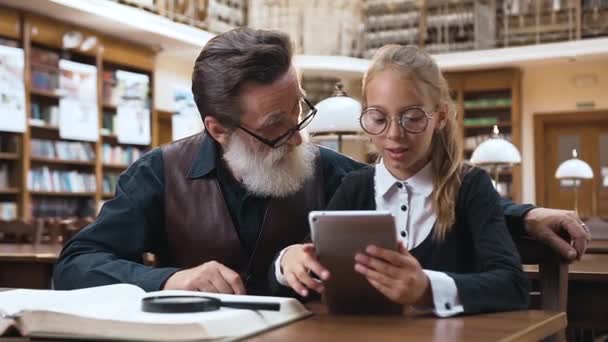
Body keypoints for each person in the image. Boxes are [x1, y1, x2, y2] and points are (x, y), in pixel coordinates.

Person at [53, 28, 590, 296]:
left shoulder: (325, 167)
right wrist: (170, 281)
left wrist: (521, 215)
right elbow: (74, 266)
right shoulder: (158, 173)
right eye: (275, 126)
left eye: (300, 110)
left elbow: (408, 185)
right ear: (217, 128)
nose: (297, 136)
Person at [275, 45, 587, 316]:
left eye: (411, 118)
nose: (394, 134)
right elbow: (307, 263)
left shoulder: (471, 186)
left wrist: (426, 288)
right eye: (378, 119)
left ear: (439, 117)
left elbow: (513, 286)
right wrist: (288, 261)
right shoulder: (354, 187)